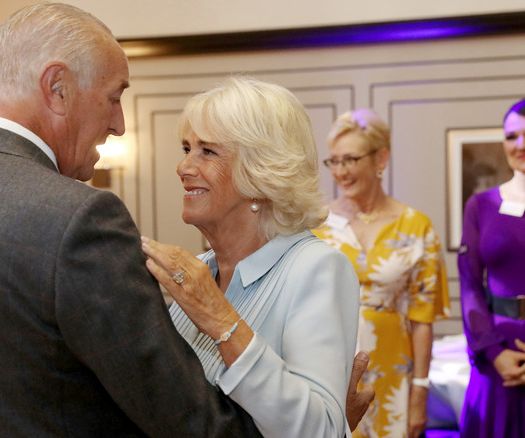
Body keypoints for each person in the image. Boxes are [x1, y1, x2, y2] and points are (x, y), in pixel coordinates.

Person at [0, 3, 262, 437]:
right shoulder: (79, 218)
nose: (118, 125)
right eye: (114, 97)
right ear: (58, 87)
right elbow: (187, 421)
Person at [140, 77, 360, 437]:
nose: (183, 167)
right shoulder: (200, 273)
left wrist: (219, 318)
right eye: (186, 148)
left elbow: (320, 431)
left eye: (207, 151)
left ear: (261, 171)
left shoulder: (316, 268)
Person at [312, 109, 450, 438]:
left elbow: (422, 320)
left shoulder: (417, 227)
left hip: (394, 372)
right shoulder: (315, 224)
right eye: (334, 161)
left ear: (381, 158)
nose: (340, 172)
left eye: (350, 159)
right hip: (329, 368)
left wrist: (419, 393)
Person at [458, 97, 525, 438]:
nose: (521, 144)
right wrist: (492, 351)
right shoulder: (481, 206)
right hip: (496, 356)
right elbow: (470, 284)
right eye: (512, 136)